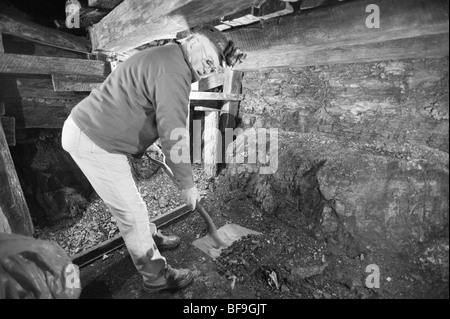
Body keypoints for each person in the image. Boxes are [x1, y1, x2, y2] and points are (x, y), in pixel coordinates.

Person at [61, 25, 246, 293]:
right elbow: (174, 132)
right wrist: (187, 183)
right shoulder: (174, 71)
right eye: (208, 60)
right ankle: (156, 276)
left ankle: (148, 237)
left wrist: (149, 144)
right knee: (131, 212)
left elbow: (146, 105)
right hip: (93, 139)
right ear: (193, 43)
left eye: (214, 67)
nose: (209, 69)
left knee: (132, 199)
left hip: (99, 131)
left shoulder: (169, 57)